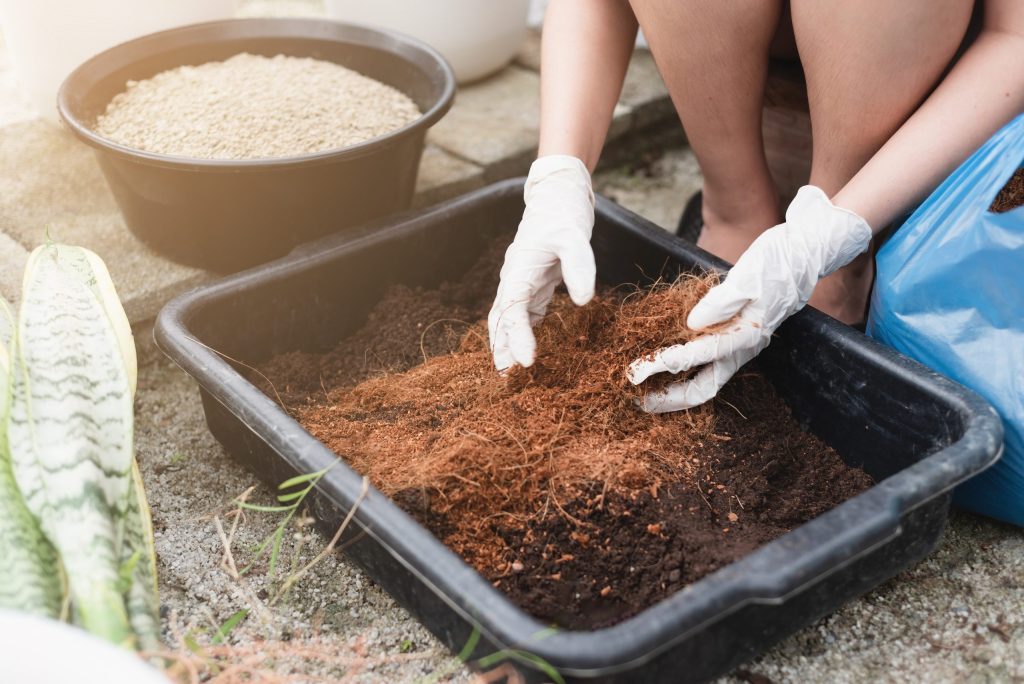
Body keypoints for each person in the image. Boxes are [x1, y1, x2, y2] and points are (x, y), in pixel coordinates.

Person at [489, 0, 1024, 413]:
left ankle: (840, 273)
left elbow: (1014, 36)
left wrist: (826, 237)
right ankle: (734, 214)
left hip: (921, 56)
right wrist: (559, 172)